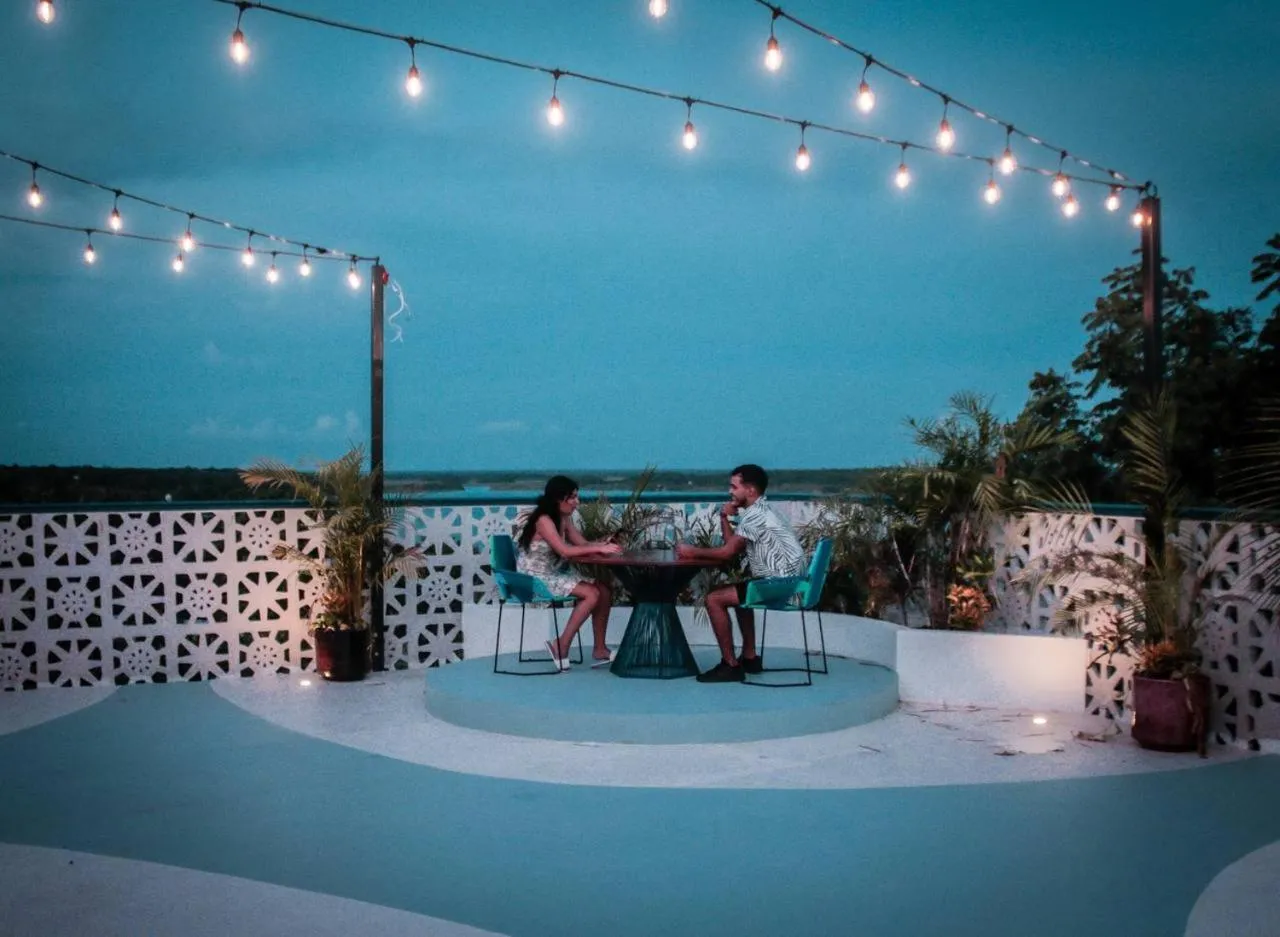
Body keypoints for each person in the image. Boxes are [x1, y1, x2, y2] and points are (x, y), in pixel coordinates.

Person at [675, 464, 805, 683]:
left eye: (734, 487)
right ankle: (749, 657)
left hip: (779, 585)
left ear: (751, 490)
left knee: (714, 599)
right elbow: (732, 547)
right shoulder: (763, 511)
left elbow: (726, 554)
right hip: (791, 583)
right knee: (740, 593)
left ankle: (730, 665)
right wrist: (724, 518)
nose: (730, 492)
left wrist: (690, 551)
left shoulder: (755, 516)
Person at [516, 475, 622, 671]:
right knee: (592, 593)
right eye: (572, 497)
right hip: (533, 578)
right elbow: (564, 551)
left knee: (604, 590)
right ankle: (561, 645)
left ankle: (600, 650)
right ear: (558, 498)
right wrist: (600, 549)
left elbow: (581, 544)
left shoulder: (563, 517)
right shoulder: (544, 520)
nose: (577, 502)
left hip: (553, 573)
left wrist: (603, 545)